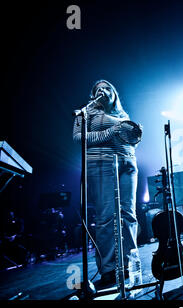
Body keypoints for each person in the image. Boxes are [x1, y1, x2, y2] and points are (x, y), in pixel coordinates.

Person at [73, 80, 141, 287]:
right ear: (94, 96)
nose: (103, 91)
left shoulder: (123, 115)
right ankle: (110, 269)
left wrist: (135, 134)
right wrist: (111, 132)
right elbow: (78, 138)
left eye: (107, 88)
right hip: (100, 163)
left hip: (128, 162)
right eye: (98, 89)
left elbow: (129, 138)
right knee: (106, 217)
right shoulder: (86, 114)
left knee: (128, 215)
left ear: (114, 93)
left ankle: (131, 264)